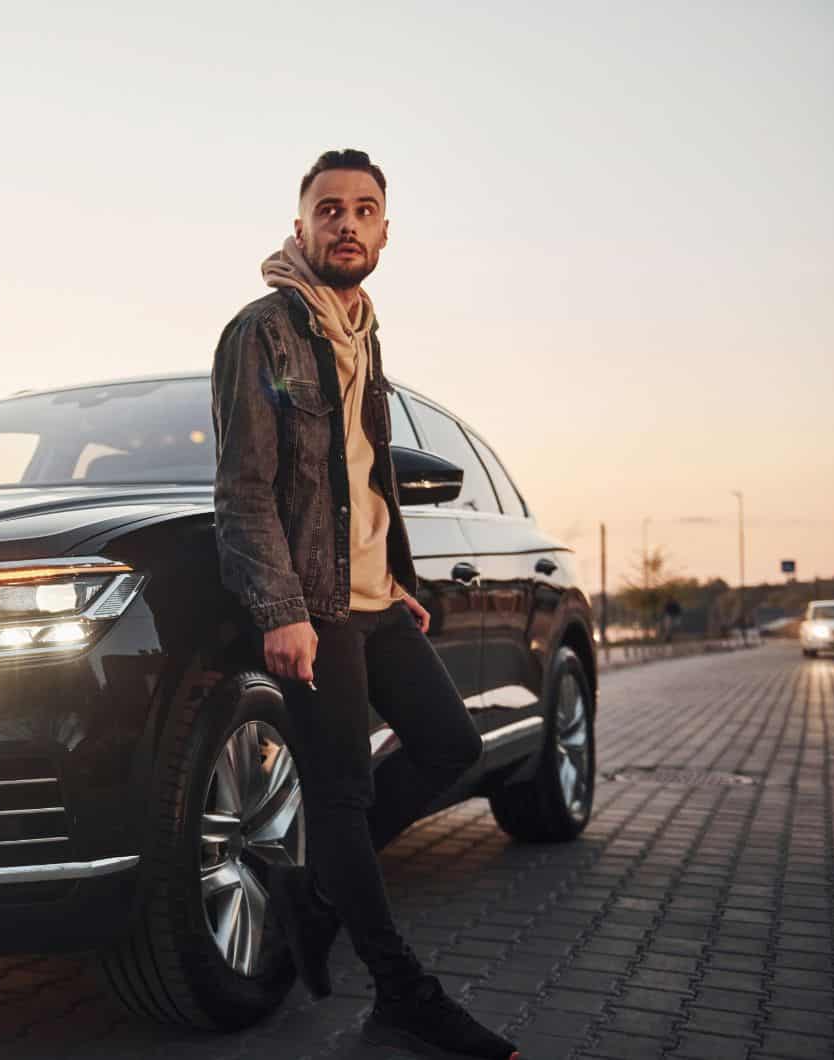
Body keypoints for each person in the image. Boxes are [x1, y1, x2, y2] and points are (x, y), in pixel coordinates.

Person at [210, 148, 520, 1060]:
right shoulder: (261, 332)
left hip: (379, 601)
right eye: (330, 209)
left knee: (451, 746)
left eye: (365, 210)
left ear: (385, 231)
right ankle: (403, 994)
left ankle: (313, 893)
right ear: (301, 225)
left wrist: (405, 582)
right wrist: (281, 610)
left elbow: (368, 473)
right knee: (341, 794)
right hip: (317, 608)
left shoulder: (361, 329)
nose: (347, 223)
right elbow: (243, 490)